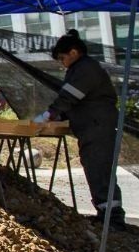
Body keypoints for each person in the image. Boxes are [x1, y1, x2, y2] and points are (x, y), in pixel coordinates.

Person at [34, 29, 125, 229]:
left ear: (73, 53)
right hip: (93, 125)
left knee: (99, 169)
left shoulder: (85, 69)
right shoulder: (81, 69)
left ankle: (112, 218)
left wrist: (49, 115)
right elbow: (76, 102)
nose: (61, 62)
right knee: (96, 168)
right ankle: (107, 214)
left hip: (97, 126)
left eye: (62, 57)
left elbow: (70, 97)